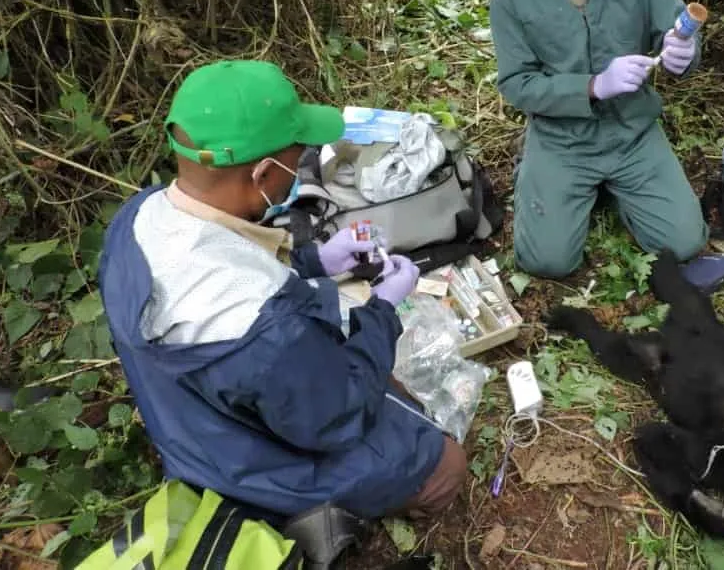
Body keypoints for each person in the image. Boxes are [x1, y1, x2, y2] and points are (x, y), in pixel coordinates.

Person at [97, 59, 467, 531]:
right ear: (263, 174)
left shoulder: (137, 219)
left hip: (192, 428)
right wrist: (382, 309)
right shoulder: (268, 332)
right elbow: (337, 415)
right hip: (257, 471)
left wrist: (314, 261)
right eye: (298, 159)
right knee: (446, 462)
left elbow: (231, 263)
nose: (301, 169)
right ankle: (312, 520)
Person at [489, 0, 711, 279]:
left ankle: (620, 190)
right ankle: (537, 167)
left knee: (684, 243)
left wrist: (683, 52)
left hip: (633, 131)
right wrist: (591, 86)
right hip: (561, 139)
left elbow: (673, 29)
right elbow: (517, 83)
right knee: (546, 261)